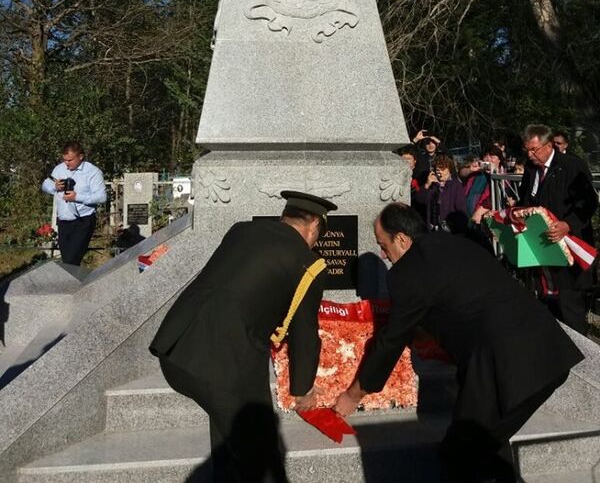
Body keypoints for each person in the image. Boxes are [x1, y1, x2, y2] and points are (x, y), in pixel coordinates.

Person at [335, 203, 583, 483]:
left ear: (402, 239)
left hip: (506, 365)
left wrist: (353, 394)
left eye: (383, 245)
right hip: (549, 351)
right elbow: (461, 300)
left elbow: (390, 340)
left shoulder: (407, 271)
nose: (384, 254)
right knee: (487, 444)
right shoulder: (453, 243)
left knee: (459, 453)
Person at [149, 190, 336, 483]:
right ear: (314, 225)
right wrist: (302, 390)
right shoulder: (309, 265)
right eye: (319, 234)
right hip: (225, 362)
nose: (316, 242)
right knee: (261, 456)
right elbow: (304, 334)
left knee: (228, 433)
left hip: (176, 345)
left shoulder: (242, 230)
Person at [518, 124, 598, 335]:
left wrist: (567, 224)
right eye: (526, 149)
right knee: (548, 307)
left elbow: (588, 202)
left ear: (549, 144)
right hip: (541, 250)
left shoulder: (571, 165)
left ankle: (584, 363)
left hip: (569, 251)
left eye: (534, 149)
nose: (530, 154)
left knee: (570, 310)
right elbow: (525, 199)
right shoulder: (530, 168)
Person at [41, 141, 106, 266]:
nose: (66, 163)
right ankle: (75, 284)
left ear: (80, 157)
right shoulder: (59, 169)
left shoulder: (93, 172)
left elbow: (102, 197)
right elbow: (45, 185)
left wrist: (77, 197)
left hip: (83, 220)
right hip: (64, 220)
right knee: (67, 260)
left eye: (70, 160)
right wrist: (55, 186)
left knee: (71, 260)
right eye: (64, 159)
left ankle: (71, 284)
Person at [414, 154, 468, 234]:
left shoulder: (456, 185)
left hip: (449, 229)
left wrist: (456, 228)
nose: (439, 172)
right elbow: (420, 200)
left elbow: (461, 209)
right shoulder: (432, 184)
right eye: (437, 169)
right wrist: (427, 185)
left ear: (449, 169)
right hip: (432, 228)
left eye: (442, 169)